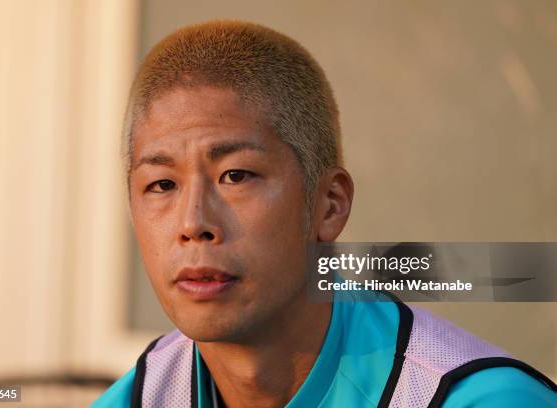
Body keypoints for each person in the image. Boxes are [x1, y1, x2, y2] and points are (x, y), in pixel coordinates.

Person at [93, 21, 556, 407]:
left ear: (329, 204)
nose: (194, 223)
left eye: (235, 176)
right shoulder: (138, 398)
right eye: (162, 185)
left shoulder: (481, 400)